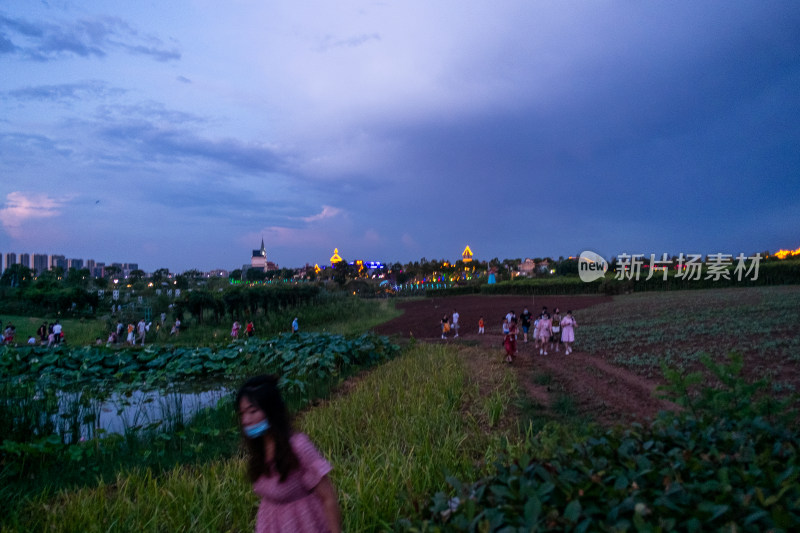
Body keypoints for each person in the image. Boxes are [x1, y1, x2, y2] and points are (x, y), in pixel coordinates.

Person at [236, 375, 341, 533]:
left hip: (304, 524)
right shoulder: (259, 449)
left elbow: (328, 498)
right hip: (271, 524)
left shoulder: (298, 447)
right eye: (242, 413)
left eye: (252, 411)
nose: (246, 420)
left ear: (271, 411)